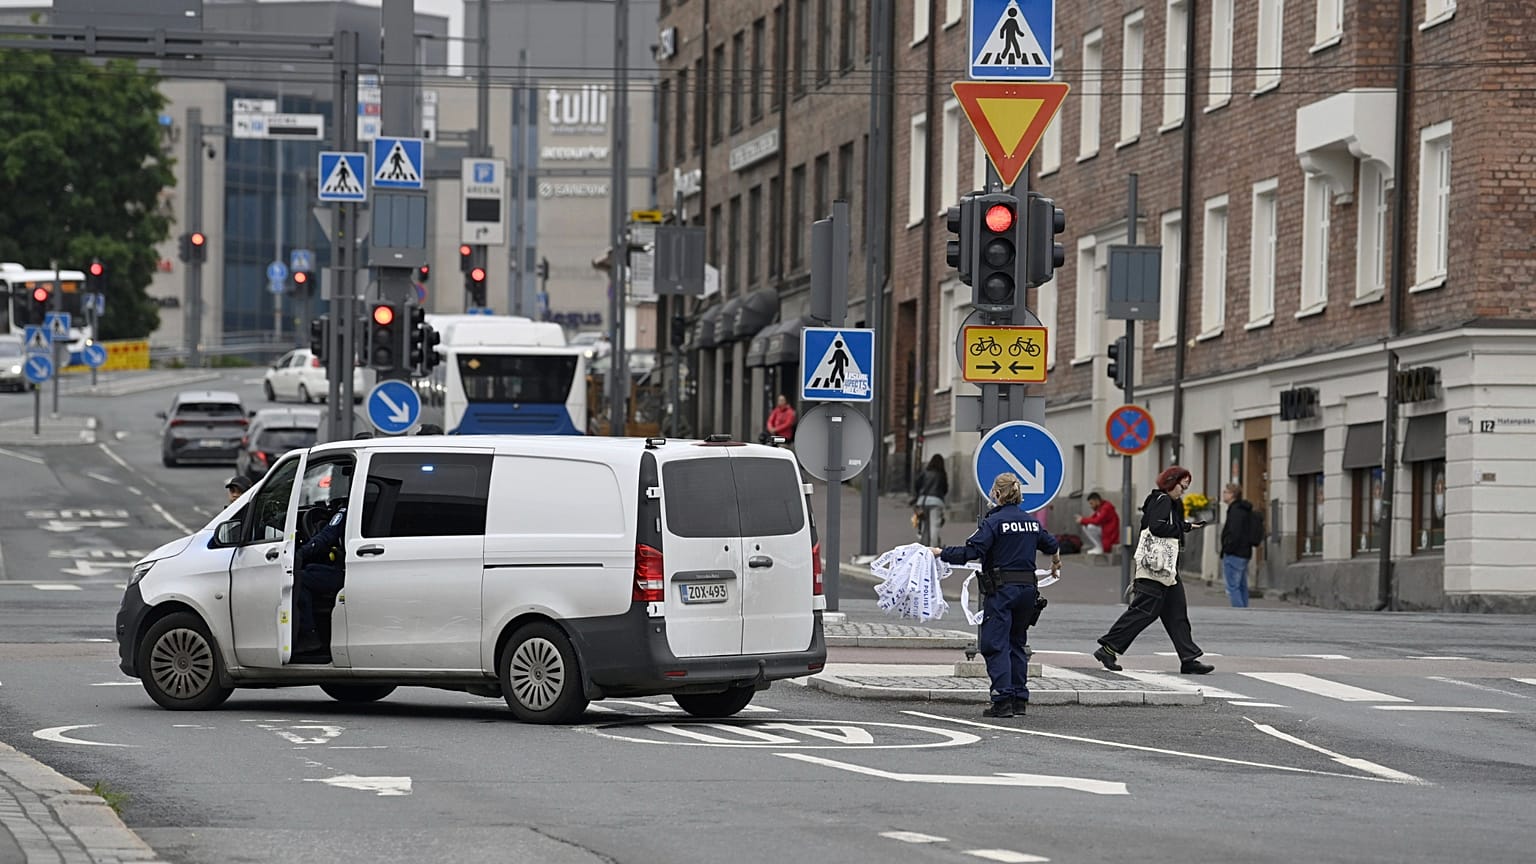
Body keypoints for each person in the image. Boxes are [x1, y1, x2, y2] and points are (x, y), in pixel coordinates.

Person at [931, 472, 1061, 719]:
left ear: (998, 494)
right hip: (1027, 592)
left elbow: (972, 551)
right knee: (1016, 643)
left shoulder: (994, 522)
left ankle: (1002, 700)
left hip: (1002, 591)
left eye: (993, 491)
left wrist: (940, 552)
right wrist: (1056, 563)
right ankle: (1019, 699)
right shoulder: (1030, 521)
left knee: (995, 644)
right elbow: (1051, 544)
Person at [1092, 466, 1215, 675]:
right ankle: (1108, 648)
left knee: (1177, 613)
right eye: (1182, 486)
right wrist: (1183, 527)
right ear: (1171, 483)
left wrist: (1183, 525)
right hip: (1156, 569)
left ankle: (1189, 658)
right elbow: (1157, 527)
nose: (1183, 490)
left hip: (1166, 569)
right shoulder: (1163, 500)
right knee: (1143, 612)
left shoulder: (1163, 501)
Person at [294, 505, 347, 656]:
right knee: (312, 569)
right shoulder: (368, 505)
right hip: (354, 570)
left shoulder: (345, 511)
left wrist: (301, 553)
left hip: (346, 573)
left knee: (300, 579)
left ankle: (309, 635)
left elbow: (326, 536)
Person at [1219, 482, 1262, 607]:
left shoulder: (1236, 511)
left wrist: (1227, 547)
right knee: (1241, 585)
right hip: (1244, 551)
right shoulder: (1243, 509)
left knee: (1233, 586)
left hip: (1234, 552)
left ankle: (1239, 612)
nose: (1223, 494)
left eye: (1225, 492)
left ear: (1232, 495)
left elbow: (1234, 532)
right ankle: (1244, 610)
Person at [911, 454, 948, 545]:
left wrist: (918, 495)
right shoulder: (941, 474)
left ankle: (923, 547)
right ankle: (933, 548)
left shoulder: (925, 472)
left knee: (924, 526)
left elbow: (917, 484)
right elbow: (945, 489)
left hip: (923, 501)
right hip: (936, 502)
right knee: (934, 526)